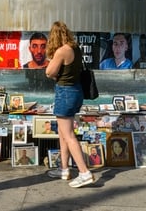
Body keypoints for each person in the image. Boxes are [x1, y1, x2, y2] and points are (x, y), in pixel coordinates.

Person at [44, 21, 93, 188]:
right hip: (76, 91)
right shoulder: (75, 48)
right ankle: (64, 169)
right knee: (63, 133)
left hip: (65, 93)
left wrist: (52, 61)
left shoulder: (61, 51)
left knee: (69, 135)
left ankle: (84, 173)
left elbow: (49, 72)